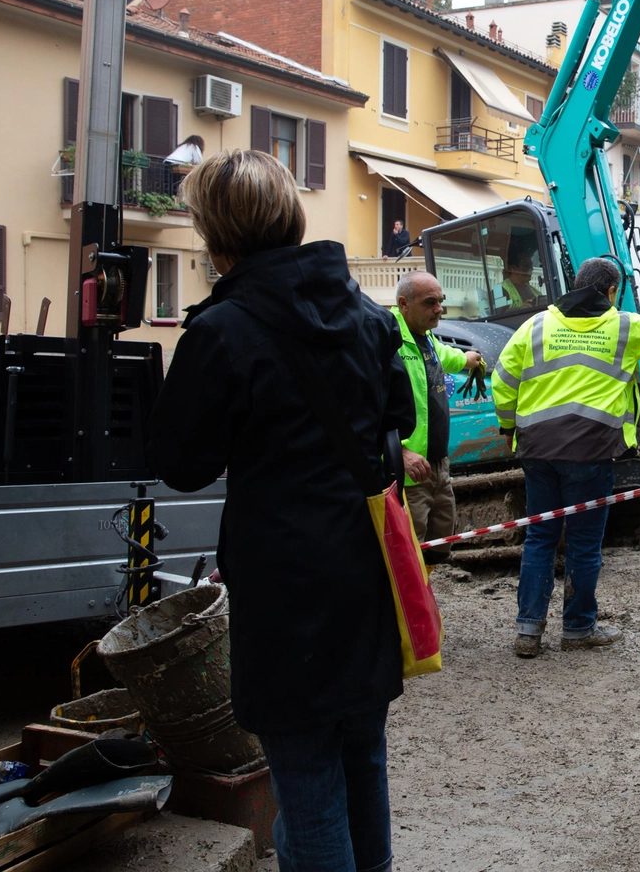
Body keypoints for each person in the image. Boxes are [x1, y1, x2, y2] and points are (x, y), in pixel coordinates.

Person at [149, 149, 415, 872]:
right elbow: (401, 416)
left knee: (305, 781)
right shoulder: (365, 313)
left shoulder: (222, 330)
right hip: (363, 571)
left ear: (216, 232)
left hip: (283, 583)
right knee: (363, 758)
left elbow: (181, 464)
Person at [491, 258, 640, 657]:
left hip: (537, 450)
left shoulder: (536, 325)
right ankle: (577, 628)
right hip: (589, 454)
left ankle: (528, 631)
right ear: (610, 292)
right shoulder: (624, 327)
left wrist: (508, 427)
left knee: (540, 537)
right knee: (585, 543)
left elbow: (502, 378)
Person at [392, 270, 484, 552]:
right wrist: (401, 451)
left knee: (439, 546)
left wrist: (468, 359)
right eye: (430, 302)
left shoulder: (425, 336)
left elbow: (443, 355)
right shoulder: (387, 340)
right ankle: (405, 597)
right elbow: (364, 405)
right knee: (407, 553)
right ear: (403, 303)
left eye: (441, 301)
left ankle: (423, 594)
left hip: (437, 465)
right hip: (408, 472)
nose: (439, 309)